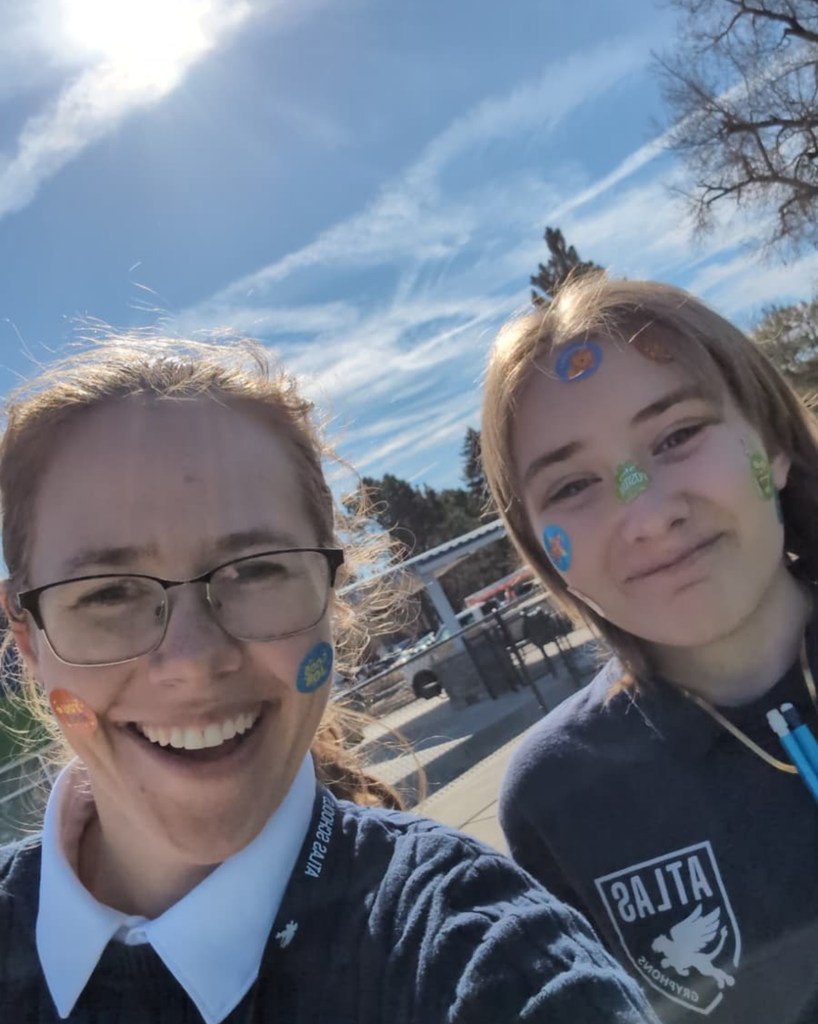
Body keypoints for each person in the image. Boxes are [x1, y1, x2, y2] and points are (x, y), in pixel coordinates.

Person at [0, 337, 656, 1024]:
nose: (192, 659)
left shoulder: (471, 949)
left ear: (333, 597)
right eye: (107, 594)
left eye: (256, 570)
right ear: (28, 640)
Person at [480, 273, 818, 1023]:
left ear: (773, 442)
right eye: (572, 486)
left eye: (677, 436)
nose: (648, 513)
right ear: (542, 549)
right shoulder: (557, 797)